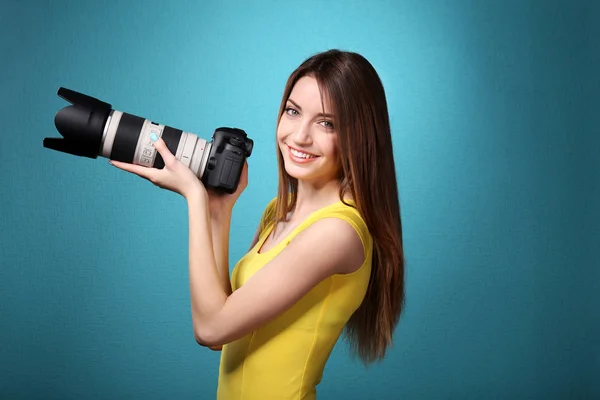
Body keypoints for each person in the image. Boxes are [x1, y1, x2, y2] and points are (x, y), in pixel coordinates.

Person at [110, 49, 405, 399]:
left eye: (327, 123)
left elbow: (209, 328)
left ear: (360, 135)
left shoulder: (338, 232)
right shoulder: (279, 212)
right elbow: (227, 331)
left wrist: (193, 195)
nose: (299, 136)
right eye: (293, 112)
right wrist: (219, 209)